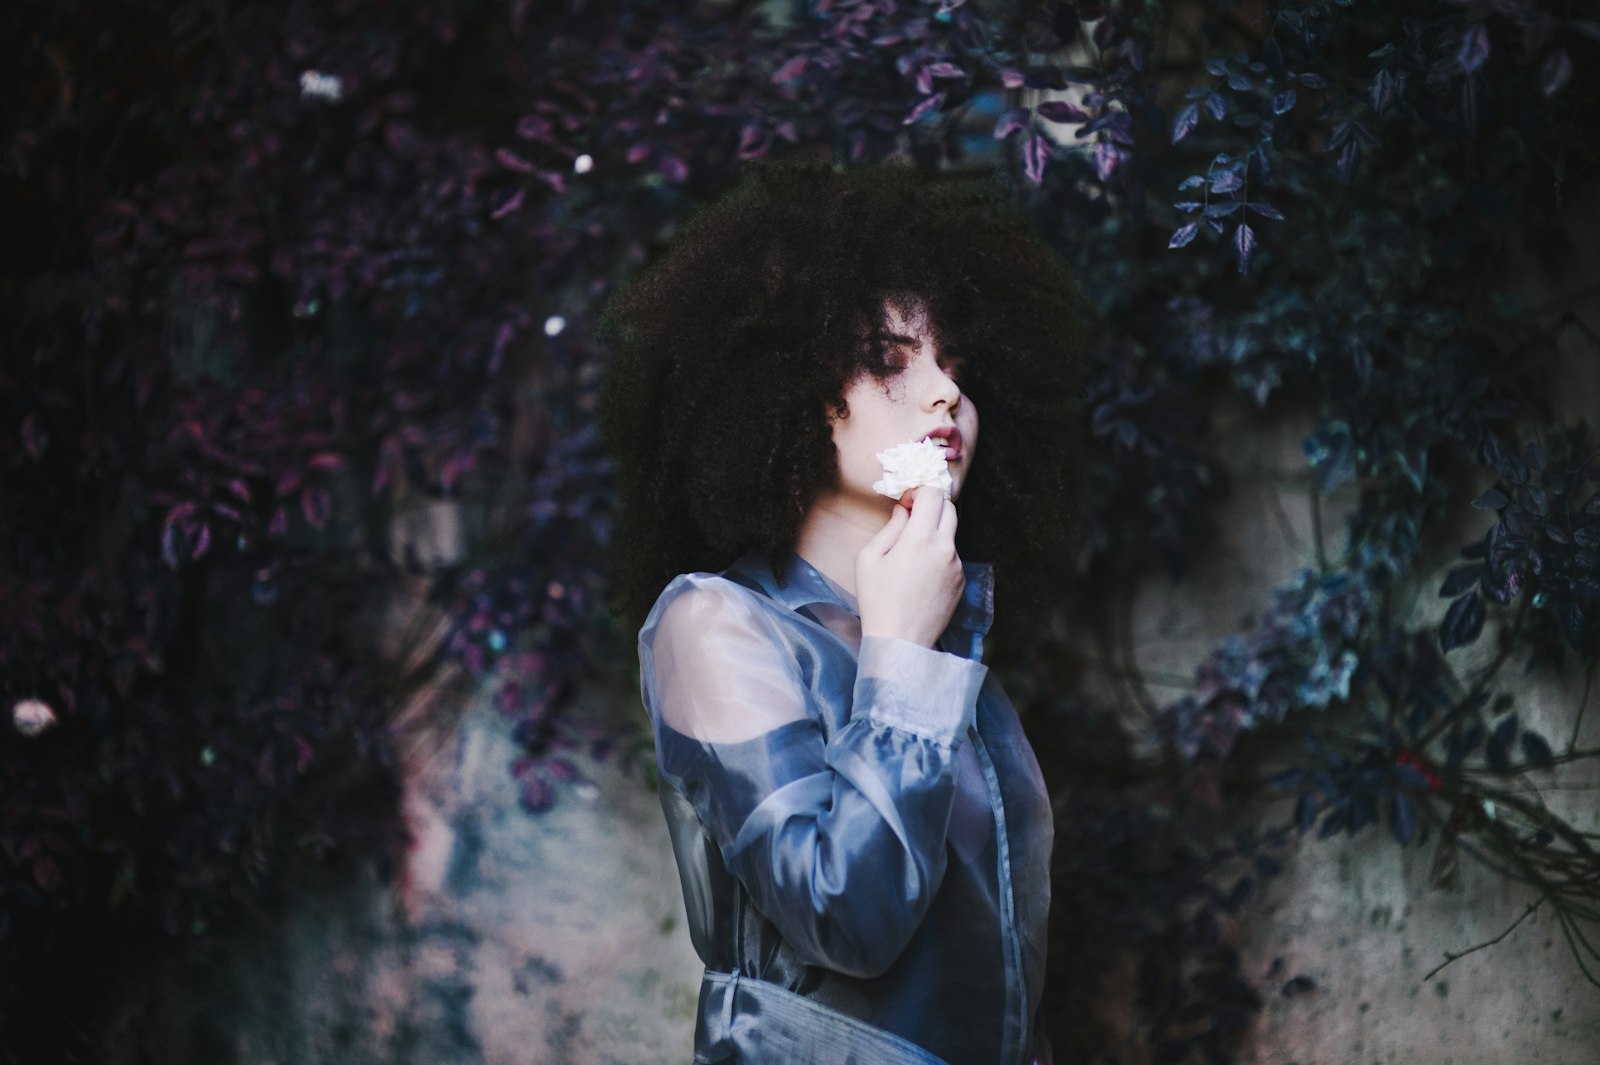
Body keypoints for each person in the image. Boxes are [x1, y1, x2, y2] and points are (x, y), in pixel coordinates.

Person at [599, 161, 1087, 1065]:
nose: (944, 390)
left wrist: (914, 642)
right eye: (889, 358)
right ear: (783, 391)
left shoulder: (945, 641)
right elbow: (846, 916)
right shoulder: (713, 624)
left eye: (956, 363)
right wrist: (902, 654)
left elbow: (997, 972)